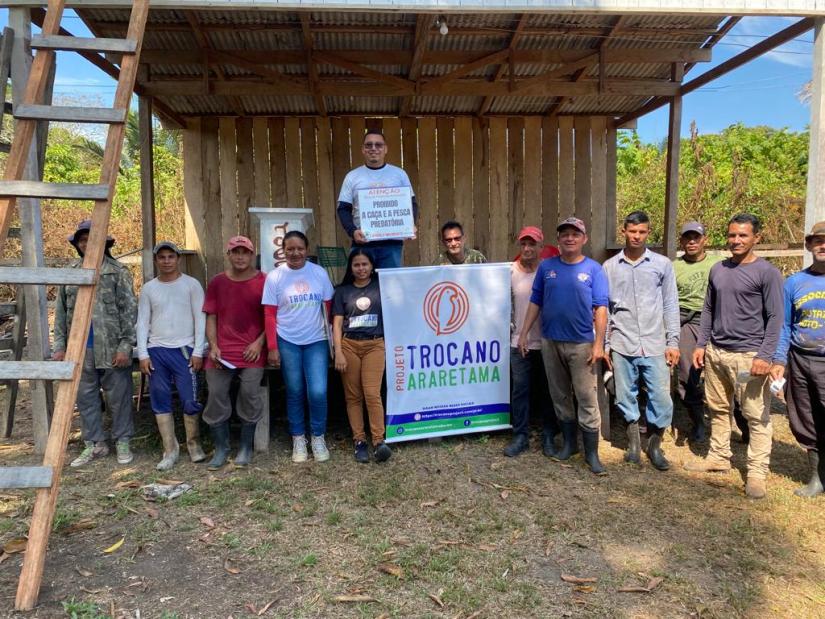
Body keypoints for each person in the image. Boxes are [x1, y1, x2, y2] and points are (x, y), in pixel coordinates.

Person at [686, 213, 784, 499]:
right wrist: (702, 345)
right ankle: (718, 457)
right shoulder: (718, 269)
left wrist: (766, 356)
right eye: (732, 235)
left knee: (755, 414)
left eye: (743, 235)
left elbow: (776, 317)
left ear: (757, 238)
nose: (736, 240)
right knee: (717, 408)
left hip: (749, 357)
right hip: (717, 353)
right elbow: (708, 310)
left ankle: (756, 472)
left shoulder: (767, 273)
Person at [519, 217, 610, 475]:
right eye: (564, 234)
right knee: (559, 395)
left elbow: (601, 308)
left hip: (582, 344)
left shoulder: (593, 269)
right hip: (550, 341)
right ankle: (569, 445)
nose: (569, 238)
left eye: (575, 234)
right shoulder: (547, 267)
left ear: (584, 239)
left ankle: (591, 453)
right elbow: (535, 301)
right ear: (557, 240)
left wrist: (599, 344)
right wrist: (525, 332)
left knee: (586, 397)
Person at [54, 220, 137, 467]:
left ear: (104, 242)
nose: (87, 244)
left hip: (111, 348)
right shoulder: (70, 273)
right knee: (85, 397)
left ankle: (122, 440)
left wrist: (125, 347)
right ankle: (94, 444)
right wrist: (60, 346)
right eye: (82, 240)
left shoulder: (118, 272)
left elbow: (129, 311)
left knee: (118, 396)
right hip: (79, 348)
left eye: (92, 239)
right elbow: (61, 313)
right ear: (77, 245)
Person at [603, 211, 680, 471]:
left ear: (648, 233)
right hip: (622, 342)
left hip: (654, 342)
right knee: (625, 395)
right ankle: (634, 444)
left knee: (661, 396)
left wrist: (673, 341)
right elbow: (605, 310)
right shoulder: (610, 267)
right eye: (632, 231)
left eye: (642, 232)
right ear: (623, 231)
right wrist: (605, 345)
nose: (636, 236)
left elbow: (670, 304)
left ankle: (654, 445)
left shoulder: (661, 264)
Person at [263, 231, 335, 463]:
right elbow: (269, 314)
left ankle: (318, 436)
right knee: (294, 390)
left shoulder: (318, 273)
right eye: (290, 249)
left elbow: (329, 308)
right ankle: (298, 438)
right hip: (288, 340)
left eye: (299, 248)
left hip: (317, 340)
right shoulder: (275, 277)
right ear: (283, 250)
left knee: (318, 391)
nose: (295, 253)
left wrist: (334, 343)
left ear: (307, 249)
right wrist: (272, 347)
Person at [136, 241, 207, 471]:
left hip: (184, 349)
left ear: (178, 259)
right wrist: (143, 353)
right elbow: (142, 322)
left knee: (190, 397)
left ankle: (193, 443)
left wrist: (198, 350)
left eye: (170, 256)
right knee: (160, 396)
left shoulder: (191, 285)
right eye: (162, 257)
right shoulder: (149, 288)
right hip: (157, 350)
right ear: (156, 260)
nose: (166, 261)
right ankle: (170, 448)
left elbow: (201, 319)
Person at [770, 221, 825, 498]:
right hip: (801, 359)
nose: (823, 245)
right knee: (805, 418)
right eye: (818, 240)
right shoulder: (794, 282)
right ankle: (816, 477)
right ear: (808, 245)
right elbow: (785, 326)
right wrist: (779, 360)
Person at [202, 236, 267, 470]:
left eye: (245, 252)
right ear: (228, 255)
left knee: (250, 394)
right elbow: (211, 315)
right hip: (222, 352)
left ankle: (245, 447)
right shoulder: (217, 282)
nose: (240, 256)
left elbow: (271, 318)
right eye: (235, 252)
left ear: (252, 255)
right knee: (216, 394)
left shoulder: (264, 281)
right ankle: (221, 448)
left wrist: (259, 344)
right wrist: (213, 345)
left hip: (252, 351)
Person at [332, 249, 392, 463]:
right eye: (356, 265)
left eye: (365, 264)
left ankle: (379, 441)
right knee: (353, 396)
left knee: (372, 393)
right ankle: (359, 441)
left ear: (372, 265)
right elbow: (337, 323)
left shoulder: (382, 287)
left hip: (375, 344)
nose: (361, 268)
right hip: (349, 345)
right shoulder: (342, 291)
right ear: (351, 267)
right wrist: (338, 351)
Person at [505, 226, 559, 458]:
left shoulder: (549, 271)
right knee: (520, 390)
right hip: (519, 341)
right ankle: (520, 435)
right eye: (523, 244)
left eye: (532, 244)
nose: (527, 248)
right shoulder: (508, 271)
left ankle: (549, 434)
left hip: (547, 341)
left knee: (549, 390)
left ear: (540, 246)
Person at [337, 130, 418, 269]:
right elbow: (343, 208)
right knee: (362, 288)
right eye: (369, 145)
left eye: (378, 145)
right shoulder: (352, 176)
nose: (373, 148)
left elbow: (412, 203)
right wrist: (352, 231)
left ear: (385, 149)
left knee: (390, 288)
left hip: (392, 244)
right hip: (362, 244)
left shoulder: (399, 174)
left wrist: (411, 224)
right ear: (363, 149)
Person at [672, 221, 723, 443]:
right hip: (686, 320)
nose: (691, 242)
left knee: (723, 372)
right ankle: (697, 422)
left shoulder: (719, 264)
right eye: (687, 238)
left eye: (696, 238)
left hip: (716, 320)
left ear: (705, 240)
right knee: (687, 374)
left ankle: (739, 423)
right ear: (681, 241)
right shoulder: (674, 266)